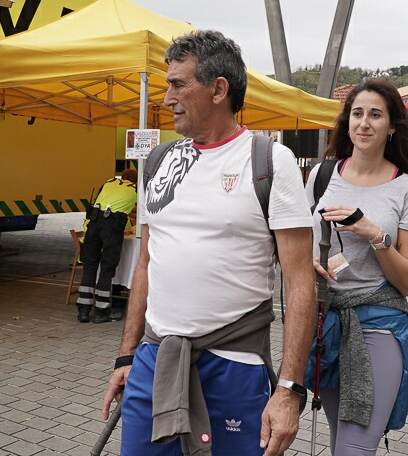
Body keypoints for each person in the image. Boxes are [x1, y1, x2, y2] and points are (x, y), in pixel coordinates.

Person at [101, 30, 315, 456]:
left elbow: (299, 281)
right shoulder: (159, 161)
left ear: (219, 89)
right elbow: (145, 263)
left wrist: (289, 389)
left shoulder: (270, 160)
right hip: (155, 360)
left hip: (233, 365)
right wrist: (126, 357)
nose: (166, 98)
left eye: (178, 84)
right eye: (166, 85)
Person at [304, 80, 408, 455]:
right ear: (347, 122)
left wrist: (374, 234)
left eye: (375, 115)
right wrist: (307, 264)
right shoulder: (321, 176)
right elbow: (297, 246)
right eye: (357, 114)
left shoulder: (406, 188)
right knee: (339, 441)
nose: (364, 123)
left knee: (354, 448)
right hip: (326, 322)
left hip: (379, 321)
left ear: (392, 126)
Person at [76, 168, 138, 323]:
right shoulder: (135, 190)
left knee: (90, 267)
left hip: (93, 224)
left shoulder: (108, 183)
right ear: (136, 181)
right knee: (107, 269)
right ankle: (101, 313)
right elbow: (139, 212)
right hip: (112, 227)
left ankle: (83, 312)